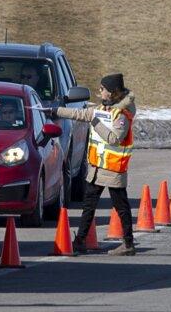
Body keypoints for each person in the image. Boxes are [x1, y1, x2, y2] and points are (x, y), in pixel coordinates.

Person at [48, 73, 136, 256]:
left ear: (111, 92)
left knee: (121, 207)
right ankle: (80, 241)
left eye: (102, 89)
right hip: (97, 169)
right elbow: (80, 114)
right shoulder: (103, 108)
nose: (100, 91)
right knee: (88, 206)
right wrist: (56, 111)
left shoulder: (122, 115)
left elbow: (114, 139)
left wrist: (96, 123)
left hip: (113, 169)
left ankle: (128, 243)